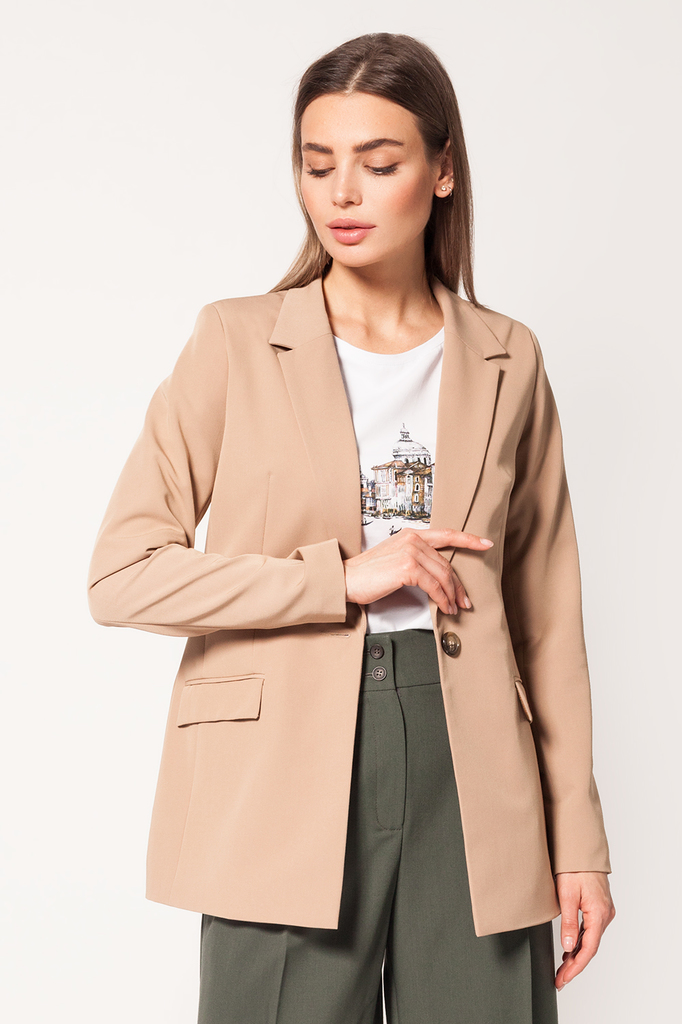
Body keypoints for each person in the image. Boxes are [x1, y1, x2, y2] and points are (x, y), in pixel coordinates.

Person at [87, 32, 615, 1024]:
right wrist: (336, 578)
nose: (342, 194)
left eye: (377, 163)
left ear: (442, 170)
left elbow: (549, 623)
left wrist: (578, 840)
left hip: (471, 761)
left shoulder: (509, 358)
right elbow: (123, 574)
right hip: (278, 757)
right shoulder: (236, 340)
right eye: (317, 163)